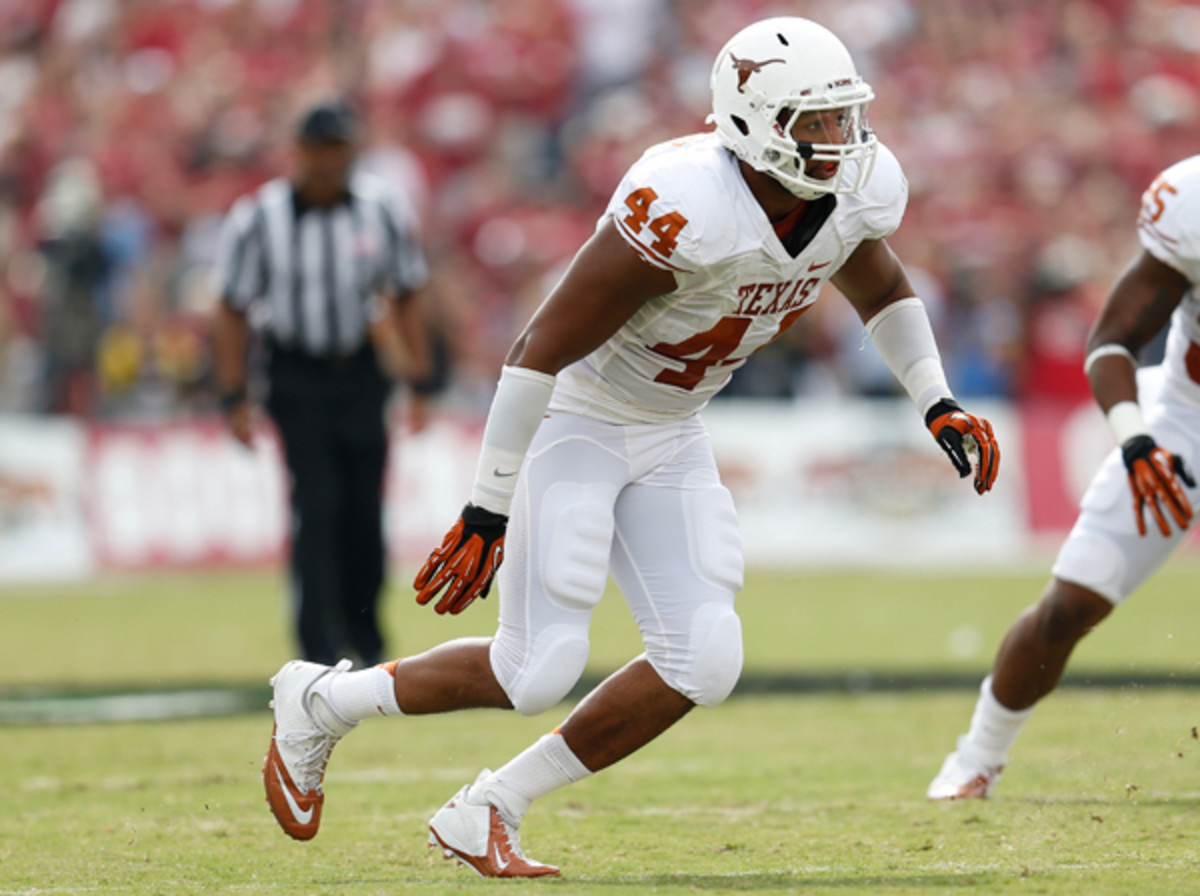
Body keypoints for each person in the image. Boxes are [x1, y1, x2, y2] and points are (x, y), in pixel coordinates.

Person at [261, 18, 1000, 877]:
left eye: (844, 119)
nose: (841, 142)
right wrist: (486, 507)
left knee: (706, 657)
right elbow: (538, 349)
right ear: (755, 123)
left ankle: (490, 805)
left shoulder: (855, 191)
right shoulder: (687, 201)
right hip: (581, 415)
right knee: (537, 667)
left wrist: (935, 397)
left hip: (673, 427)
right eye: (815, 124)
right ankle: (321, 701)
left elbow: (880, 282)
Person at [927, 155, 1199, 801]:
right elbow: (1111, 341)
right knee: (1073, 601)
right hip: (1187, 420)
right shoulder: (1190, 204)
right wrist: (1135, 440)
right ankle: (977, 756)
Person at [212, 100, 431, 669]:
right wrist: (234, 394)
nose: (334, 162)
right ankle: (317, 645)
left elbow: (406, 291)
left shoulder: (381, 209)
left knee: (364, 510)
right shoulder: (259, 218)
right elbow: (232, 308)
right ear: (300, 152)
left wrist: (419, 380)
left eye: (343, 149)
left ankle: (366, 634)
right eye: (324, 149)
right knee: (317, 506)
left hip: (361, 372)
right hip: (296, 373)